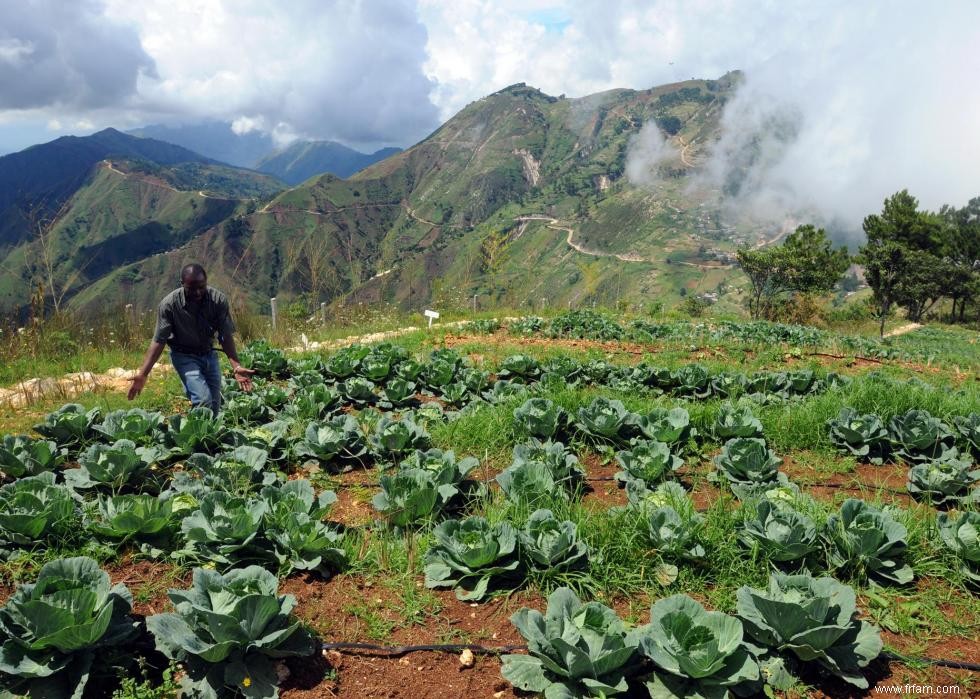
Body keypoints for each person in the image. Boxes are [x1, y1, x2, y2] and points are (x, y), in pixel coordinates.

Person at [127, 263, 255, 412]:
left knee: (214, 405)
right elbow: (159, 341)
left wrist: (236, 366)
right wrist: (143, 374)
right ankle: (192, 431)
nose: (198, 293)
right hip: (184, 356)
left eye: (202, 287)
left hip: (209, 354)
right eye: (192, 289)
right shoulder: (169, 305)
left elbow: (224, 335)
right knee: (203, 401)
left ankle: (206, 435)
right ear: (182, 284)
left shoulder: (218, 300)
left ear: (206, 282)